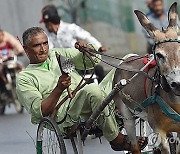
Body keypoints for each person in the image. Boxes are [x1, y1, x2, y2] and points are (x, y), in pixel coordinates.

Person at [16, 27, 147, 152]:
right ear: (26, 49)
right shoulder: (24, 78)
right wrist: (59, 89)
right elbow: (40, 111)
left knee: (130, 60)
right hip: (67, 113)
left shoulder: (57, 54)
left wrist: (87, 49)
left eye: (45, 43)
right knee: (92, 90)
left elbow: (92, 61)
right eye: (37, 45)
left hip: (93, 96)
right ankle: (117, 140)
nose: (43, 49)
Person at [39, 5, 105, 82]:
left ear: (49, 23)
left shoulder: (69, 28)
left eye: (45, 23)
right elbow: (50, 49)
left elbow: (86, 36)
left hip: (78, 60)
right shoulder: (47, 36)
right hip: (64, 66)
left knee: (98, 70)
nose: (45, 26)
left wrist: (98, 47)